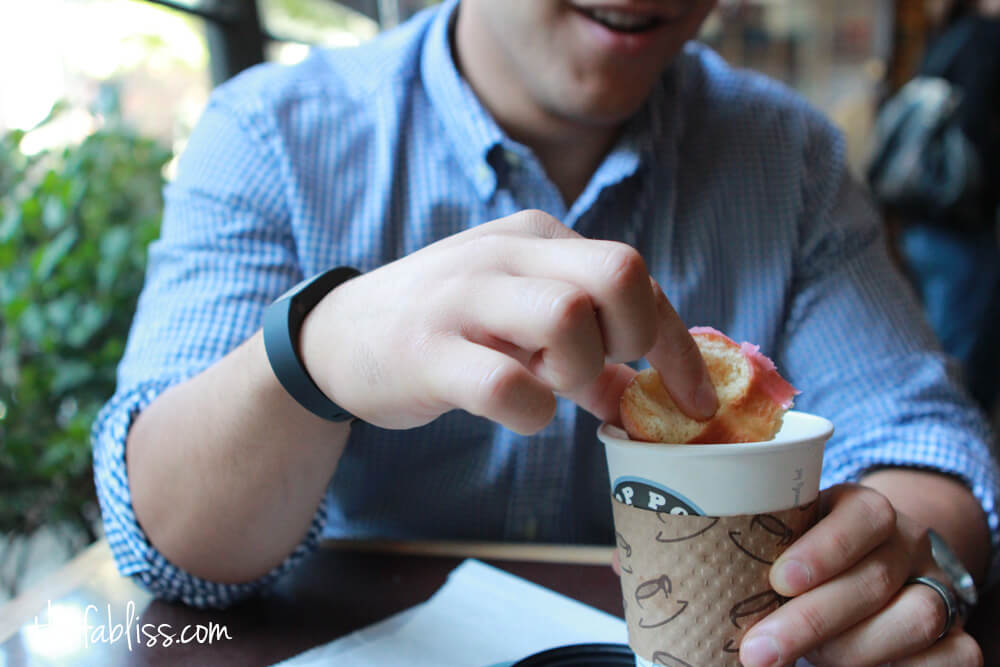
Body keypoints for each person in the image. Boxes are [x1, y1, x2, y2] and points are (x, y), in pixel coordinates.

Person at [91, 1, 998, 665]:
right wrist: (318, 349)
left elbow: (920, 441)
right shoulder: (270, 134)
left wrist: (892, 565)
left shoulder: (791, 157)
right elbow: (175, 547)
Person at [896, 0, 1000, 415]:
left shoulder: (946, 37)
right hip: (960, 220)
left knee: (936, 338)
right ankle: (951, 431)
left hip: (921, 215)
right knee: (958, 348)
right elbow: (974, 129)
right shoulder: (985, 38)